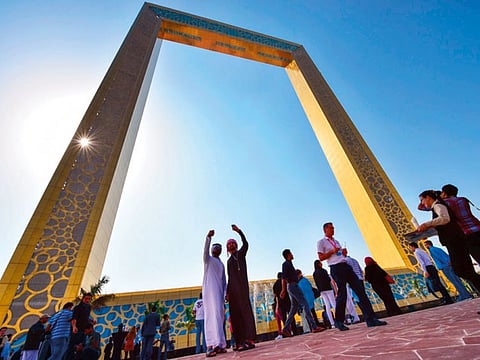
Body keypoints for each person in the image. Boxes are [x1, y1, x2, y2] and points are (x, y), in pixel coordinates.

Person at [317, 222, 387, 331]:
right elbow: (321, 257)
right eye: (331, 228)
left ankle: (371, 319)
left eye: (333, 228)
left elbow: (340, 254)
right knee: (342, 294)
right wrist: (332, 251)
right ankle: (339, 321)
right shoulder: (321, 242)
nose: (333, 230)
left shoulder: (336, 241)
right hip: (336, 268)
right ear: (325, 229)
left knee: (360, 290)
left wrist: (343, 252)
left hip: (346, 266)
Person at [417, 190, 480, 292]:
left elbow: (445, 218)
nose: (422, 203)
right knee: (465, 270)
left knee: (461, 270)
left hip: (455, 241)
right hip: (456, 240)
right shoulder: (439, 205)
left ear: (428, 197)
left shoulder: (438, 205)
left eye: (422, 200)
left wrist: (427, 224)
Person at [279, 249, 325, 337]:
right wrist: (283, 290)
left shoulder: (289, 264)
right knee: (305, 304)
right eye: (291, 253)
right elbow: (283, 278)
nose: (293, 254)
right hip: (293, 286)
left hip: (293, 286)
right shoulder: (285, 264)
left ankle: (285, 329)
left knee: (293, 309)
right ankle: (314, 326)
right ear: (288, 255)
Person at [225, 225, 256, 351]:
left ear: (236, 245)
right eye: (229, 244)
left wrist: (239, 231)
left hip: (242, 290)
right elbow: (229, 278)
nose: (231, 245)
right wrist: (227, 292)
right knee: (236, 316)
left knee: (246, 314)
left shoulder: (241, 254)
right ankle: (239, 342)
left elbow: (246, 243)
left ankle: (249, 340)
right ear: (227, 248)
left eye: (233, 243)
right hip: (233, 292)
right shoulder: (228, 261)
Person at [202, 229, 227, 357]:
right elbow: (205, 251)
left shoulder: (221, 264)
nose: (217, 248)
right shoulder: (208, 260)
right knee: (210, 317)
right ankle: (210, 346)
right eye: (215, 247)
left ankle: (220, 345)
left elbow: (224, 282)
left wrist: (225, 294)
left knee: (219, 318)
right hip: (209, 293)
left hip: (219, 295)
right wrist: (208, 238)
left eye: (219, 247)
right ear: (212, 249)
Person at [441, 184, 480, 264]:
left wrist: (435, 195)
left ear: (444, 193)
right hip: (478, 228)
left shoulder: (445, 203)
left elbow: (423, 207)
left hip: (467, 234)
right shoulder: (463, 199)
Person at [67, 293, 94, 360]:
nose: (87, 300)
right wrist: (74, 326)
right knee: (72, 347)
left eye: (89, 299)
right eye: (86, 298)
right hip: (76, 330)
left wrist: (91, 321)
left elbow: (86, 318)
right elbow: (74, 318)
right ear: (83, 298)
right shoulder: (78, 307)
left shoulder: (88, 308)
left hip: (83, 331)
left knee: (81, 347)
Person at [313, 260, 336, 329]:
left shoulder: (314, 273)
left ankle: (332, 323)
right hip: (328, 289)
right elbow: (328, 279)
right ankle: (339, 320)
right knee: (334, 304)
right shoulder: (323, 271)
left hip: (322, 291)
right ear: (319, 264)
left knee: (327, 306)